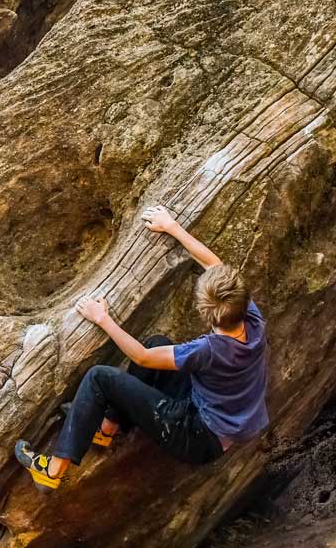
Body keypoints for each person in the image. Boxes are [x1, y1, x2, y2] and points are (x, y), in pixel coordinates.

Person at [14, 205, 269, 491]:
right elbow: (215, 265)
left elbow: (142, 358)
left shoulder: (208, 349)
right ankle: (107, 429)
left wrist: (103, 319)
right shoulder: (250, 318)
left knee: (100, 377)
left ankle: (52, 470)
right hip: (216, 415)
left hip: (196, 436)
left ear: (204, 313)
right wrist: (171, 226)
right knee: (158, 342)